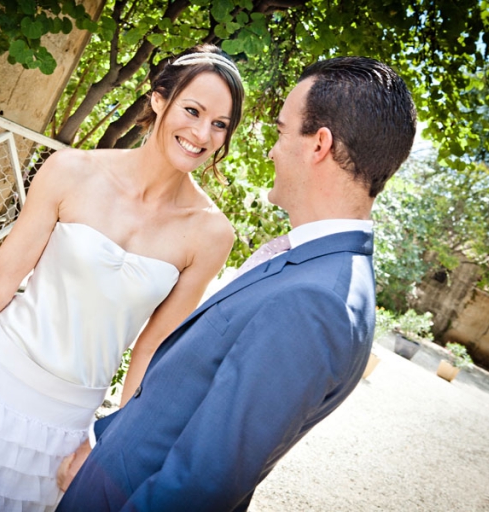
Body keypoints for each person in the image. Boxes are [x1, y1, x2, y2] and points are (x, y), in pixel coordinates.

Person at [0, 44, 244, 512]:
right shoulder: (71, 171)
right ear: (158, 99)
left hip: (65, 422)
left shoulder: (211, 233)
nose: (202, 133)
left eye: (219, 124)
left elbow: (153, 350)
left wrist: (109, 447)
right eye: (193, 110)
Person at [55, 56, 417, 511]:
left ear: (319, 144)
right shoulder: (316, 269)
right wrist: (104, 443)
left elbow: (202, 484)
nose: (272, 150)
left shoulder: (315, 303)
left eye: (283, 132)